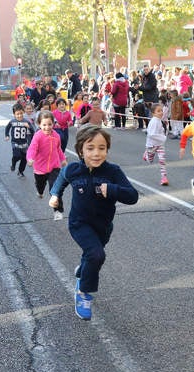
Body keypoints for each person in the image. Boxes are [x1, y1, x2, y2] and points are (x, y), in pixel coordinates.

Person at [48, 126, 138, 320]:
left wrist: (112, 189)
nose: (96, 153)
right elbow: (61, 179)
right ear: (81, 150)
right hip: (79, 223)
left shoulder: (113, 172)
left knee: (92, 255)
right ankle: (83, 293)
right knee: (96, 254)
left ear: (107, 149)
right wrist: (55, 195)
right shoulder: (73, 169)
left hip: (103, 226)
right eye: (90, 148)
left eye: (102, 148)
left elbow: (132, 196)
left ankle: (83, 269)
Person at [27, 110, 67, 220]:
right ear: (39, 124)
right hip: (40, 168)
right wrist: (30, 158)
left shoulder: (56, 136)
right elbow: (32, 148)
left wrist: (62, 159)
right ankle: (40, 191)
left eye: (50, 124)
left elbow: (58, 149)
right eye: (44, 125)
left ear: (53, 124)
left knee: (55, 188)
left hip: (54, 167)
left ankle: (58, 211)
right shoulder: (38, 136)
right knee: (40, 186)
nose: (47, 127)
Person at [4, 104, 36, 177]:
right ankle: (13, 163)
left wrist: (29, 127)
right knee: (17, 155)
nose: (19, 115)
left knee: (24, 159)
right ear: (14, 114)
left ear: (23, 112)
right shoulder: (12, 121)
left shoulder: (26, 122)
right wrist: (7, 135)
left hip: (24, 143)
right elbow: (7, 128)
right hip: (15, 142)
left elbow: (33, 131)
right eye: (17, 114)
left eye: (21, 113)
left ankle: (21, 171)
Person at [144, 102, 169, 186]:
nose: (161, 112)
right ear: (153, 113)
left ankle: (164, 178)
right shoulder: (153, 122)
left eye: (161, 110)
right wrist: (163, 137)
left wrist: (164, 129)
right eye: (158, 111)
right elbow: (151, 134)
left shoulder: (159, 120)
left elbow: (161, 131)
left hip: (160, 145)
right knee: (149, 161)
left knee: (162, 160)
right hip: (152, 145)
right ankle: (146, 155)